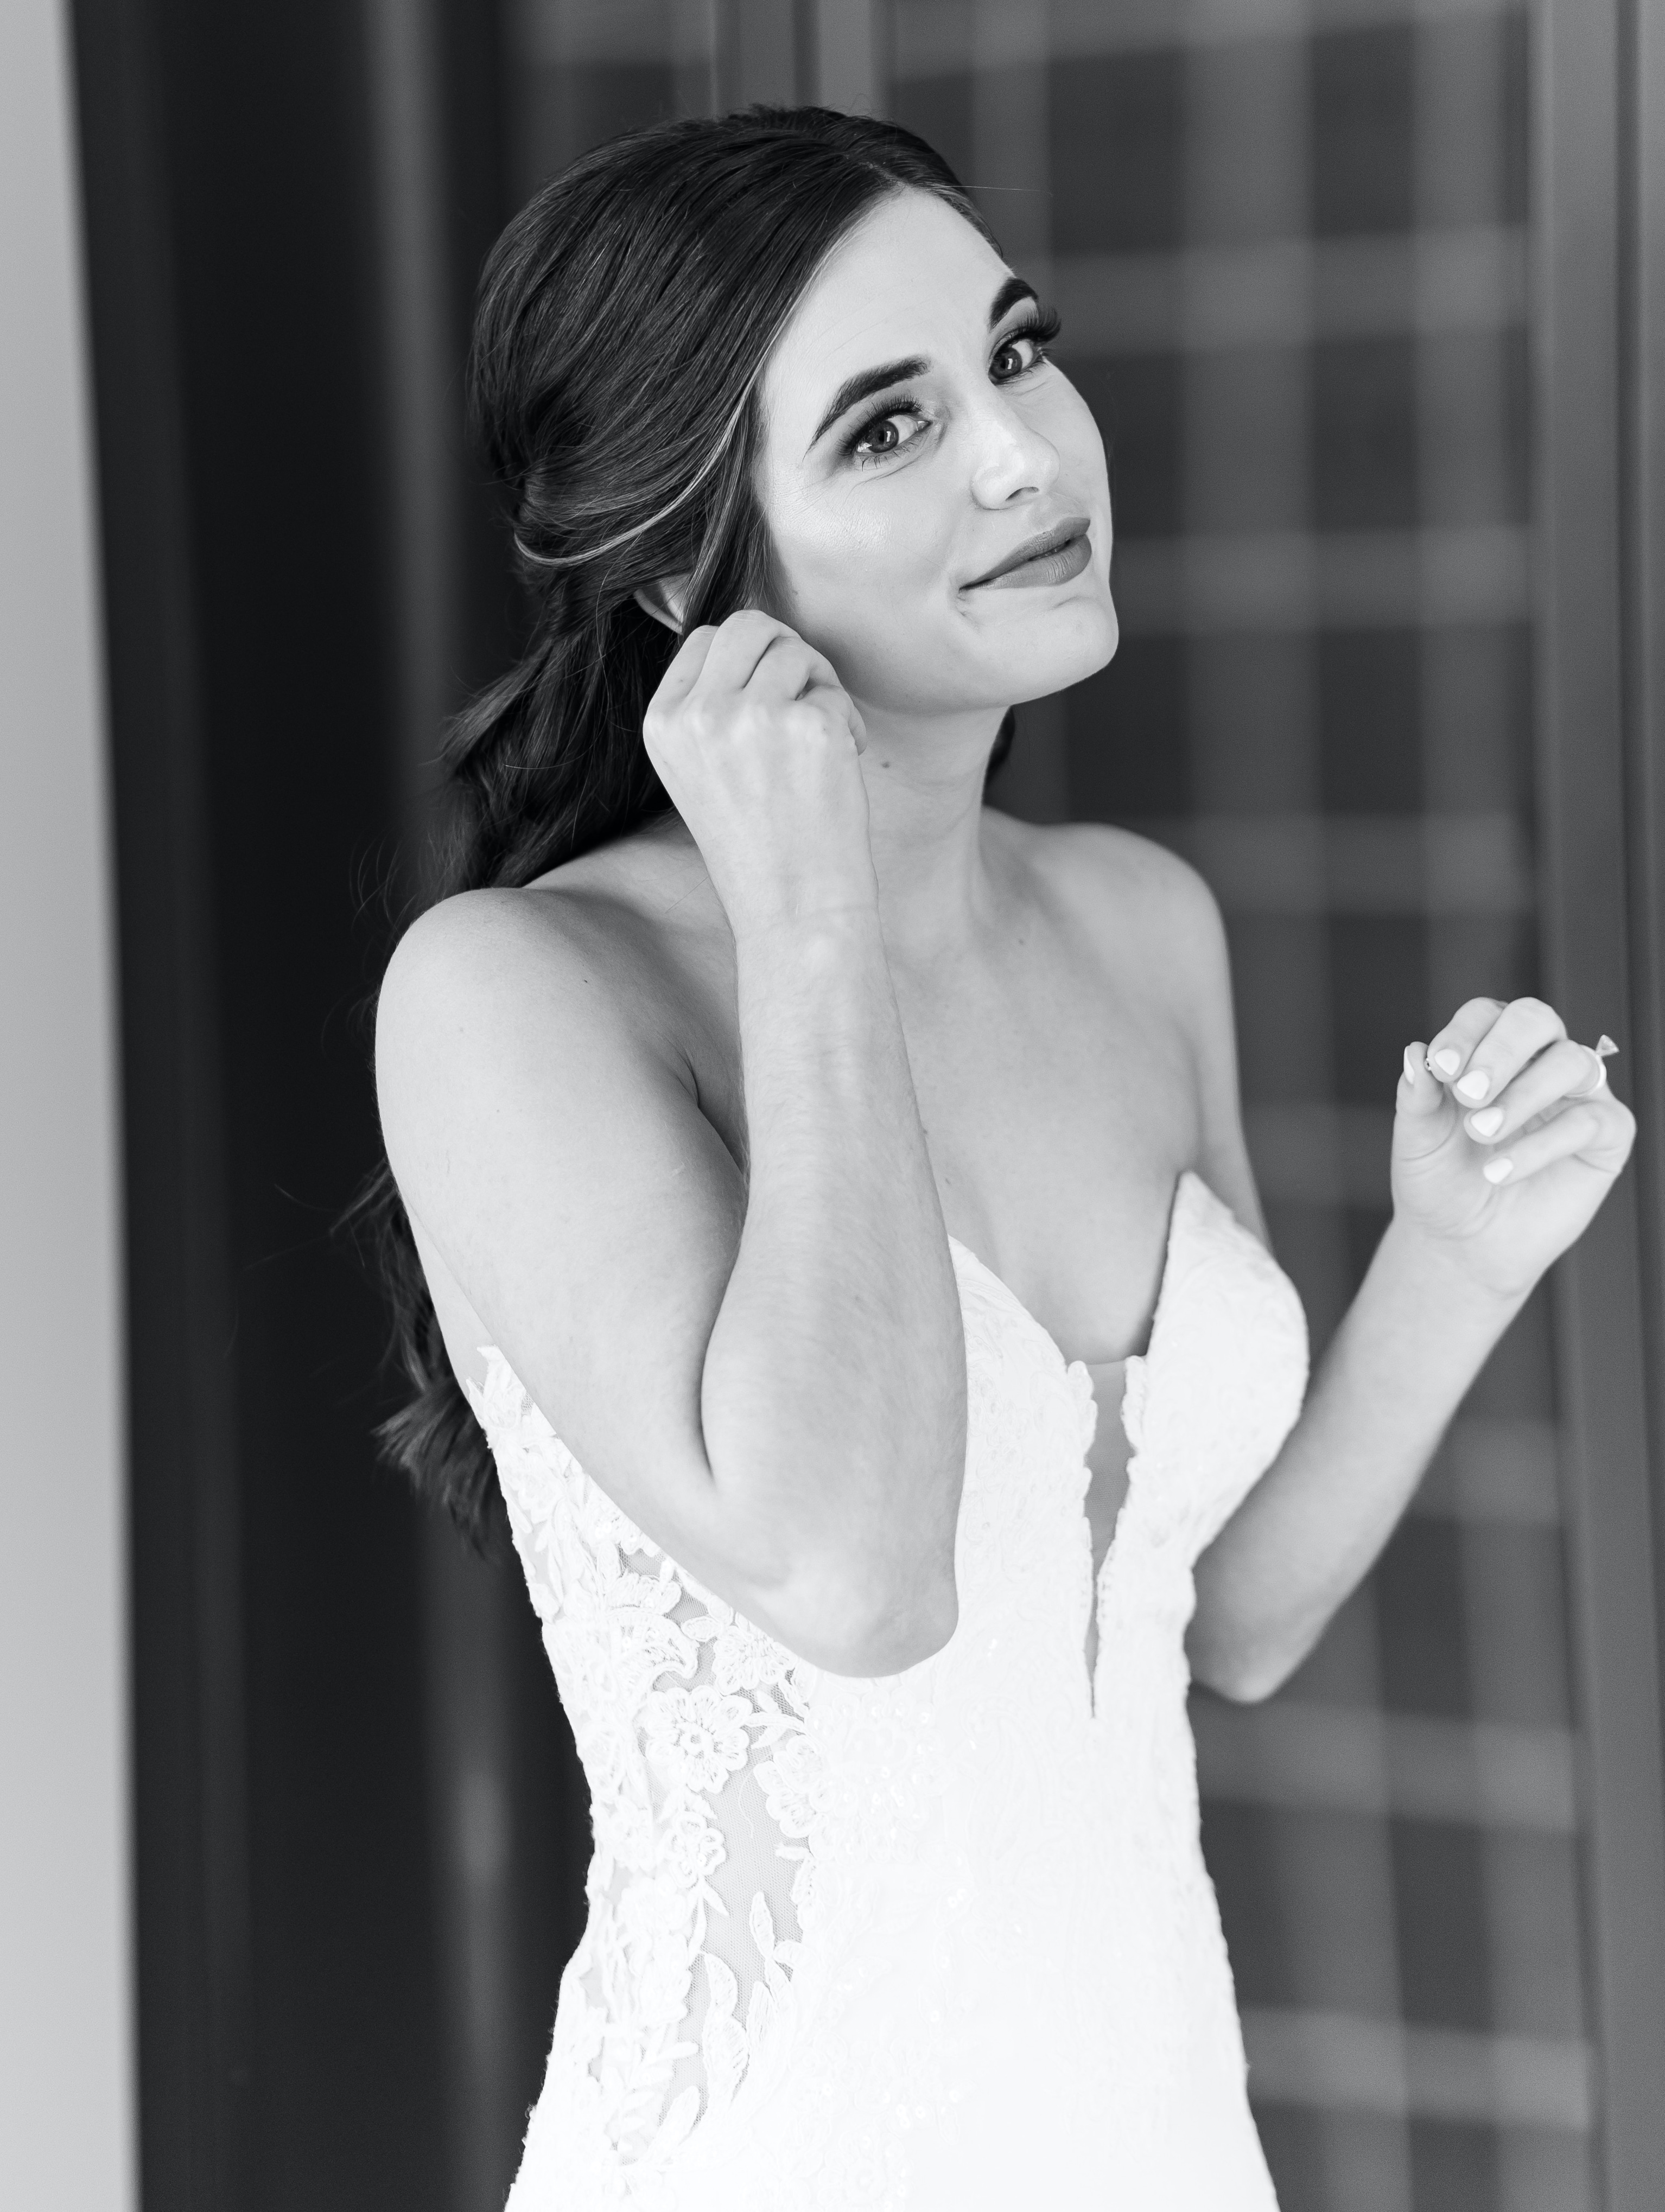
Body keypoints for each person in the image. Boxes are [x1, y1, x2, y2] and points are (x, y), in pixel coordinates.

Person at [368, 107, 1634, 2210]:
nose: (1026, 457)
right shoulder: (511, 994)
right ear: (688, 568)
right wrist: (808, 917)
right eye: (887, 428)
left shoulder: (1141, 925)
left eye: (1017, 353)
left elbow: (1213, 1623)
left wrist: (1459, 1261)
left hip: (1164, 2145)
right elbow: (861, 1581)